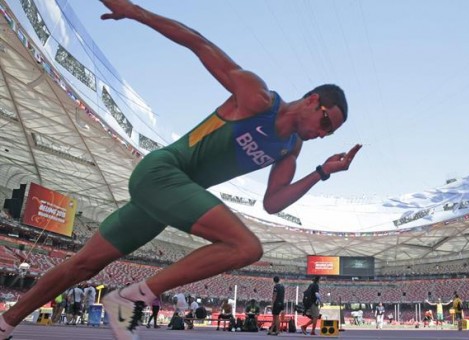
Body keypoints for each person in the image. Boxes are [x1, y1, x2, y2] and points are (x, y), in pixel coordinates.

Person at [0, 0, 361, 339]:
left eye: (330, 133)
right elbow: (198, 43)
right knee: (245, 246)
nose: (322, 134)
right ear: (313, 100)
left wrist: (322, 172)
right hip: (162, 171)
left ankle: (5, 321)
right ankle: (130, 297)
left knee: (82, 266)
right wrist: (135, 11)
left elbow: (273, 202)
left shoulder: (289, 148)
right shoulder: (256, 98)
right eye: (326, 123)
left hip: (164, 199)